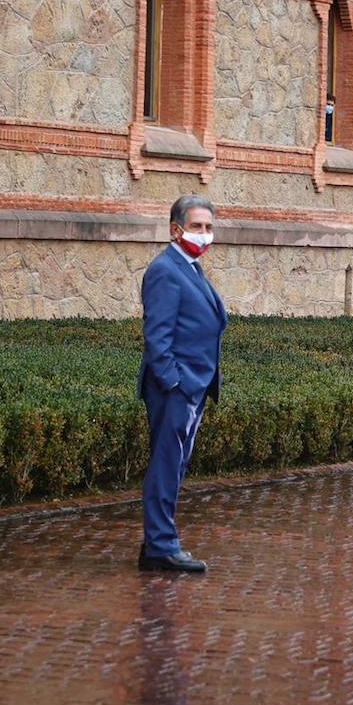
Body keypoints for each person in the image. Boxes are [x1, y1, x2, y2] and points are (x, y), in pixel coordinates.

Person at [137, 195, 229, 572]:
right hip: (174, 391)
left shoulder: (190, 268)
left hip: (193, 388)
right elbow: (157, 338)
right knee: (165, 467)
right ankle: (161, 546)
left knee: (175, 467)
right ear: (176, 230)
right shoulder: (165, 270)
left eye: (208, 227)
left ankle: (157, 543)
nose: (204, 234)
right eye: (196, 227)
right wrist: (176, 385)